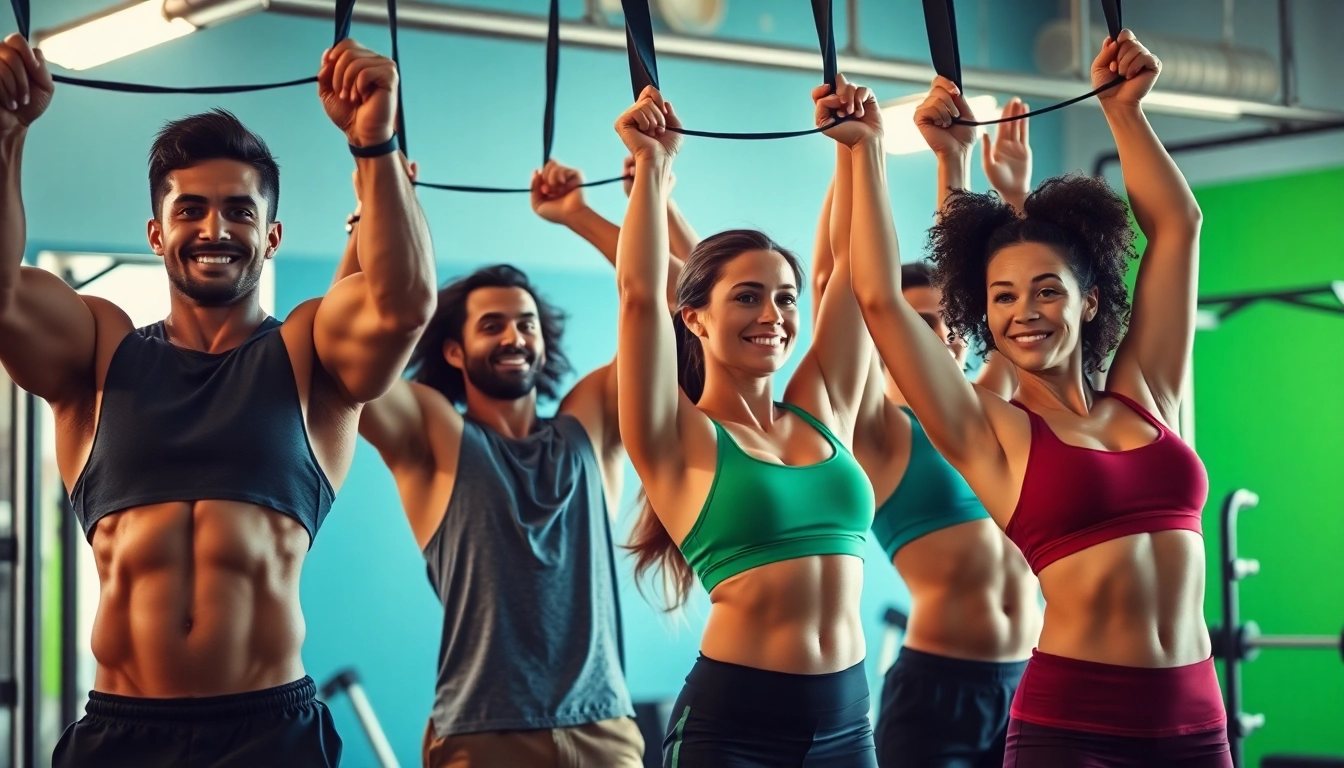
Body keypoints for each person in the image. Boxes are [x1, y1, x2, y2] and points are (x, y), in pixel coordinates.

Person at [0, 33, 435, 767]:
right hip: (121, 733)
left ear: (270, 238)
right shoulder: (99, 352)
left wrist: (375, 145)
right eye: (191, 209)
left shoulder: (308, 351)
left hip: (268, 733)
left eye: (238, 211)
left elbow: (402, 308)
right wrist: (6, 138)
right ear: (156, 233)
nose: (214, 228)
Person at [849, 31, 1230, 766]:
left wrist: (1126, 111)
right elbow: (879, 301)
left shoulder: (1146, 392)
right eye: (1003, 296)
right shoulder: (988, 429)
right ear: (982, 316)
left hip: (1195, 720)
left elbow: (1179, 228)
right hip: (1074, 725)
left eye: (1048, 289)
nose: (1025, 310)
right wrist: (864, 151)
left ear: (1088, 304)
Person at [334, 156, 695, 768]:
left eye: (526, 323)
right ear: (453, 349)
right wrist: (376, 217)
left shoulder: (592, 423)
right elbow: (340, 357)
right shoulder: (433, 434)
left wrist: (587, 213)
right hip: (483, 733)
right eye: (492, 325)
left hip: (603, 728)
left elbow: (684, 312)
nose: (513, 337)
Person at [615, 78, 880, 766]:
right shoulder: (676, 436)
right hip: (737, 730)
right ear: (695, 315)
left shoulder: (823, 411)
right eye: (749, 297)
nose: (774, 316)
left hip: (850, 723)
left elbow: (854, 278)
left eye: (786, 299)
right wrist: (653, 168)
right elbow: (640, 297)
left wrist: (860, 151)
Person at [808, 95, 1042, 768]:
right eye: (914, 323)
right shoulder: (878, 433)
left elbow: (986, 281)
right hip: (939, 692)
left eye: (943, 319)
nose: (937, 333)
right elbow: (842, 283)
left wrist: (958, 159)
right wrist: (853, 152)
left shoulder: (987, 405)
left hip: (1030, 682)